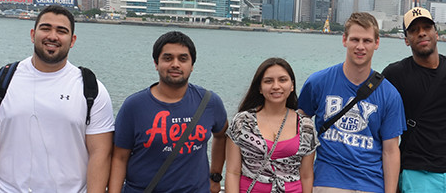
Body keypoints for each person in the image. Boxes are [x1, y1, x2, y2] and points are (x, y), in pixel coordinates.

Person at [0, 5, 115, 193]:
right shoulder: (1, 81)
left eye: (61, 31)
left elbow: (100, 154)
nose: (52, 36)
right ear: (32, 34)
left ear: (72, 40)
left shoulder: (92, 90)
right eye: (45, 28)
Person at [381, 7, 446, 192]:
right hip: (417, 172)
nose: (421, 33)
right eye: (414, 30)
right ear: (406, 40)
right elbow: (383, 129)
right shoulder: (395, 75)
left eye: (427, 27)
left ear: (436, 33)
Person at [298, 12, 405, 193]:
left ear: (377, 43)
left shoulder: (390, 95)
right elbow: (297, 130)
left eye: (367, 41)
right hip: (326, 181)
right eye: (355, 39)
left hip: (371, 184)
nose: (360, 47)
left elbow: (391, 151)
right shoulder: (318, 82)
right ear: (344, 40)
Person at [109, 31, 228, 193]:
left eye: (183, 59)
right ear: (156, 63)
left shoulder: (209, 102)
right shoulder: (134, 106)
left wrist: (215, 176)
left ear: (192, 65)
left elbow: (221, 135)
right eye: (168, 58)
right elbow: (119, 158)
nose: (175, 64)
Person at [226, 58, 319, 193]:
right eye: (268, 81)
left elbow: (306, 175)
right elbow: (232, 172)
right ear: (260, 87)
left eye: (282, 80)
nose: (276, 86)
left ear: (292, 85)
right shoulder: (242, 122)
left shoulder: (305, 126)